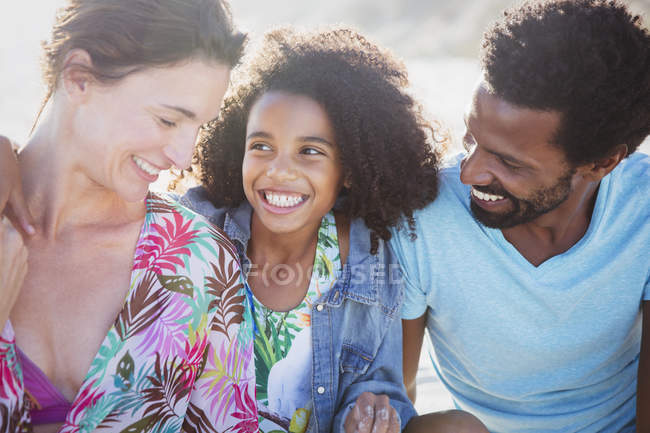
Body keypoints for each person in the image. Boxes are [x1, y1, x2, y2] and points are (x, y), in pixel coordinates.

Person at [180, 28, 487, 433]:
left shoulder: (368, 257)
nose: (279, 170)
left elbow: (381, 388)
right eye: (261, 146)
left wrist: (368, 417)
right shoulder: (199, 230)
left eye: (310, 152)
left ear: (349, 170)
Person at [391, 0, 650, 432]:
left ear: (601, 164)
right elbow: (397, 396)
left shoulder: (642, 213)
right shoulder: (422, 217)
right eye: (470, 137)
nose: (469, 172)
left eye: (509, 163)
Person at [0, 1, 258, 432]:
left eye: (198, 128)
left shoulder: (199, 264)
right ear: (78, 77)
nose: (182, 157)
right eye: (167, 119)